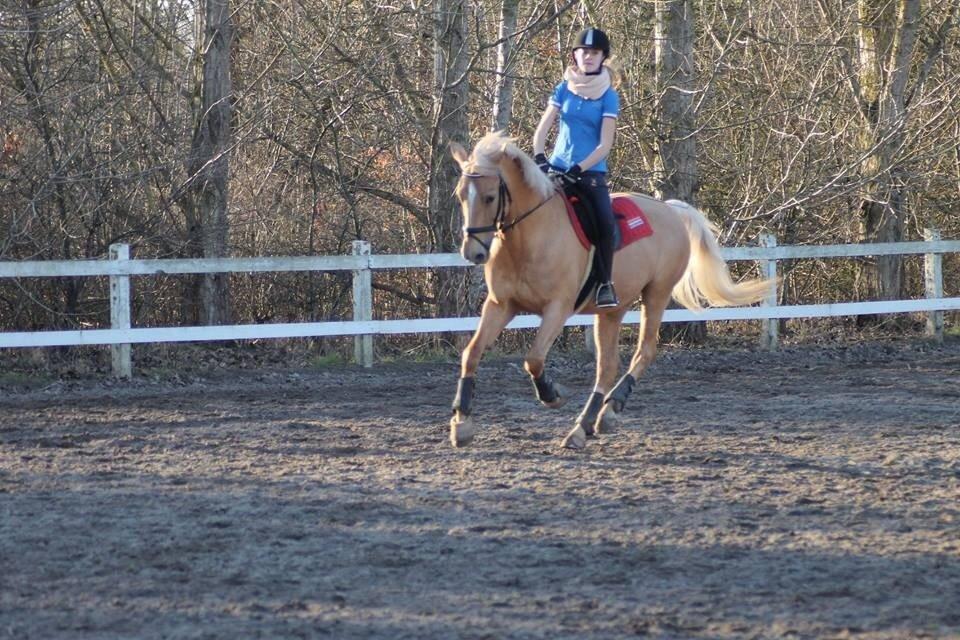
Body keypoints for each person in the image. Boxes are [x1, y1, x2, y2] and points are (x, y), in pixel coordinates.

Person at [533, 27, 621, 308]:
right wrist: (539, 156)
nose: (589, 57)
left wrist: (579, 168)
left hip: (590, 173)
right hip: (556, 169)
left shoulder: (609, 97)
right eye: (584, 52)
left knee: (606, 225)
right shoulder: (563, 88)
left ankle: (606, 284)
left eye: (594, 53)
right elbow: (544, 126)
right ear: (575, 55)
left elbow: (605, 145)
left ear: (602, 57)